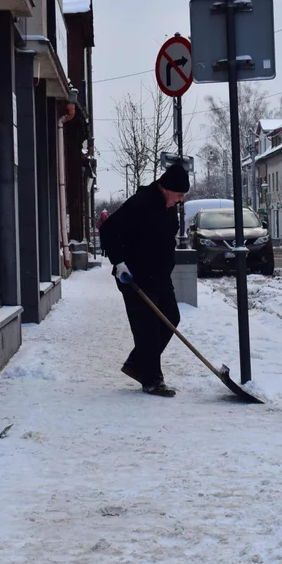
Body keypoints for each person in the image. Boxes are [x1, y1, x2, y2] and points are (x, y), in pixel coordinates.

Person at [99, 164, 190, 397]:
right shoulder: (141, 203)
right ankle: (151, 379)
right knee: (147, 327)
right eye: (179, 195)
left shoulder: (168, 207)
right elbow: (108, 229)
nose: (180, 200)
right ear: (166, 188)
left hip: (159, 275)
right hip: (134, 276)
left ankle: (138, 364)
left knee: (171, 317)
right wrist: (118, 262)